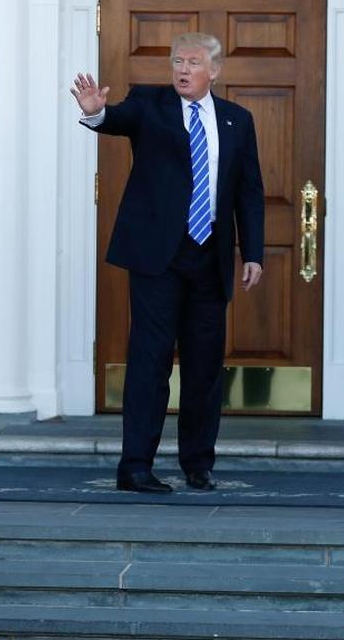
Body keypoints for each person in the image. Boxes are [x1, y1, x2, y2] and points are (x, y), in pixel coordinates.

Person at [71, 33, 265, 493]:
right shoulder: (150, 104)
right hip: (159, 257)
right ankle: (135, 466)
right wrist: (95, 110)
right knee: (150, 361)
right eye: (178, 61)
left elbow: (249, 192)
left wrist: (253, 251)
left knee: (204, 366)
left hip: (210, 257)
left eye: (194, 63)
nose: (183, 69)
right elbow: (114, 120)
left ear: (214, 71)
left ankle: (198, 463)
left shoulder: (238, 121)